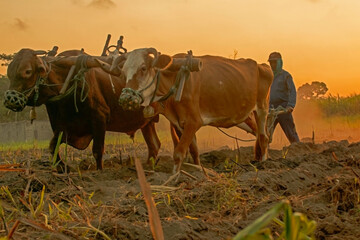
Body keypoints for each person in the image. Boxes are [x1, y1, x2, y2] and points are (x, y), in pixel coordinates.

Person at [268, 51, 300, 143]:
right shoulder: (268, 76)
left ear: (280, 62)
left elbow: (292, 91)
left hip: (283, 108)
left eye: (275, 62)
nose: (272, 64)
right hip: (270, 108)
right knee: (266, 133)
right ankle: (264, 152)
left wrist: (290, 105)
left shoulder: (286, 76)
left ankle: (297, 148)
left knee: (291, 132)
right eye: (271, 62)